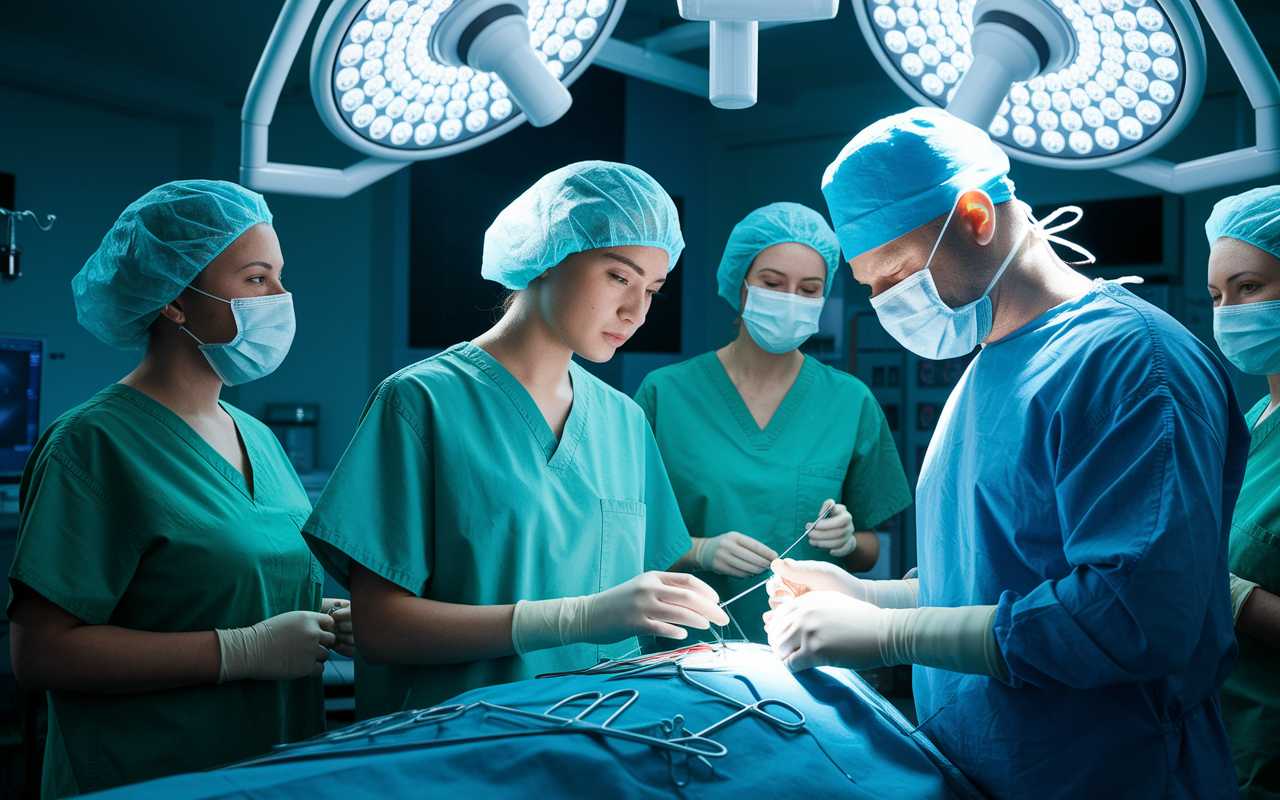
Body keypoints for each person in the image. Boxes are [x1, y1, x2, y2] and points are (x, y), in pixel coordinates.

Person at [763, 108, 1249, 800]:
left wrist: (889, 636)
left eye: (894, 274)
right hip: (987, 769)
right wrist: (873, 596)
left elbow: (1135, 617)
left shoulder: (1131, 362)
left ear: (976, 217)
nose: (883, 304)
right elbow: (998, 575)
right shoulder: (986, 366)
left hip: (1111, 775)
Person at [303, 161, 728, 719]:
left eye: (653, 288)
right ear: (548, 254)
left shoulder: (624, 421)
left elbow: (646, 592)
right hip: (457, 750)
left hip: (604, 741)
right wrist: (576, 617)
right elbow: (381, 630)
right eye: (618, 276)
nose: (636, 310)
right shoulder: (420, 402)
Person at [7, 180, 355, 799]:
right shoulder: (92, 443)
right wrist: (240, 652)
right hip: (146, 776)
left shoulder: (259, 439)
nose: (281, 298)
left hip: (269, 767)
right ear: (174, 299)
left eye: (279, 276)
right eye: (255, 279)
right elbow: (42, 655)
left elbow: (222, 585)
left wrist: (320, 621)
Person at [635, 202, 911, 643]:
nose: (789, 300)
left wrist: (847, 542)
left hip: (811, 650)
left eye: (809, 288)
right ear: (741, 284)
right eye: (772, 283)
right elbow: (622, 535)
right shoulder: (665, 394)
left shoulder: (849, 401)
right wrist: (698, 551)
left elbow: (868, 553)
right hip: (685, 650)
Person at [1205, 185, 1280, 799]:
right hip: (1219, 747)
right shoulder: (1257, 417)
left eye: (1248, 287)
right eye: (1217, 295)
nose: (1228, 310)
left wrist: (1234, 597)